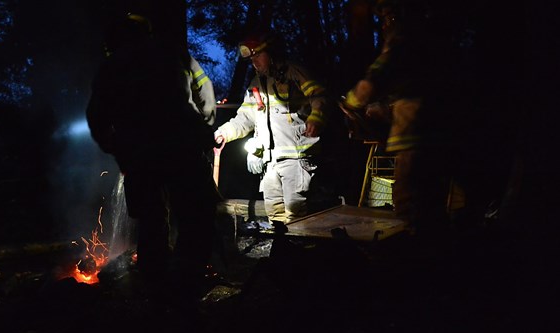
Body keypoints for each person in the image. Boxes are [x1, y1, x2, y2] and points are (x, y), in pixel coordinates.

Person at [86, 11, 222, 313]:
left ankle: (157, 292)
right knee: (194, 216)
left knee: (151, 221)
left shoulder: (112, 65)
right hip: (183, 149)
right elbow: (207, 93)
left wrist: (119, 151)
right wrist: (204, 128)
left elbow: (96, 118)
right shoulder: (172, 53)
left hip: (141, 156)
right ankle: (186, 288)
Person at [339, 0, 459, 238]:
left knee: (408, 203)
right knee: (433, 205)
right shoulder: (435, 44)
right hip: (439, 136)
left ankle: (412, 262)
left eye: (386, 19)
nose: (383, 26)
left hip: (414, 138)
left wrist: (351, 101)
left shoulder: (403, 41)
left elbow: (377, 77)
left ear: (397, 17)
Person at [214, 29, 330, 229]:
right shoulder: (256, 84)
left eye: (258, 55)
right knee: (275, 217)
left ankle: (302, 257)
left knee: (296, 218)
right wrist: (223, 132)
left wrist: (316, 117)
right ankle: (282, 256)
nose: (254, 62)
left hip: (297, 158)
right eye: (252, 59)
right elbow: (244, 119)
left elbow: (319, 96)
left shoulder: (295, 73)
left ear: (272, 52)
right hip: (270, 163)